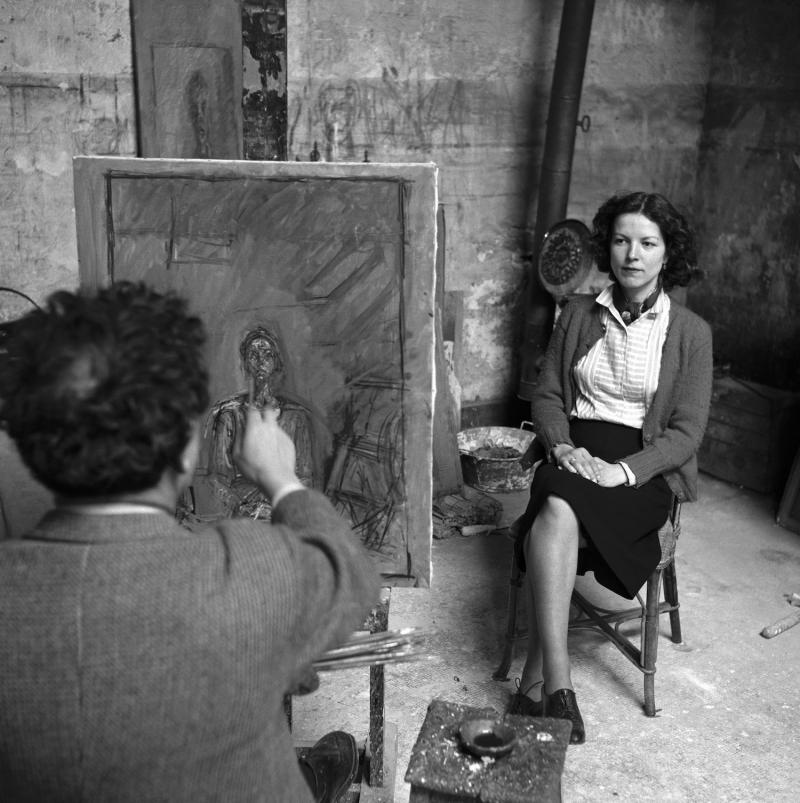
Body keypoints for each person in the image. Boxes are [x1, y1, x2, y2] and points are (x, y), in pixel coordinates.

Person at [0, 281, 379, 802]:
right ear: (185, 444)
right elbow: (351, 575)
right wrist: (282, 481)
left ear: (29, 445)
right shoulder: (252, 573)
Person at [507, 191, 713, 744]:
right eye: (621, 240)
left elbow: (686, 433)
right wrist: (562, 446)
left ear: (667, 253)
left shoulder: (691, 333)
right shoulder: (576, 313)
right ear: (608, 247)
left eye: (648, 243)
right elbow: (547, 397)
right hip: (575, 446)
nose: (632, 254)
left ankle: (536, 680)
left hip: (643, 468)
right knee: (557, 495)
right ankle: (560, 686)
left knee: (555, 510)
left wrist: (622, 472)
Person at [200, 325, 319, 521]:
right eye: (253, 355)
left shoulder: (296, 418)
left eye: (267, 355)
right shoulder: (230, 415)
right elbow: (216, 479)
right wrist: (240, 507)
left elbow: (305, 477)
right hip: (241, 514)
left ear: (276, 362)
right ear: (245, 363)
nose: (260, 362)